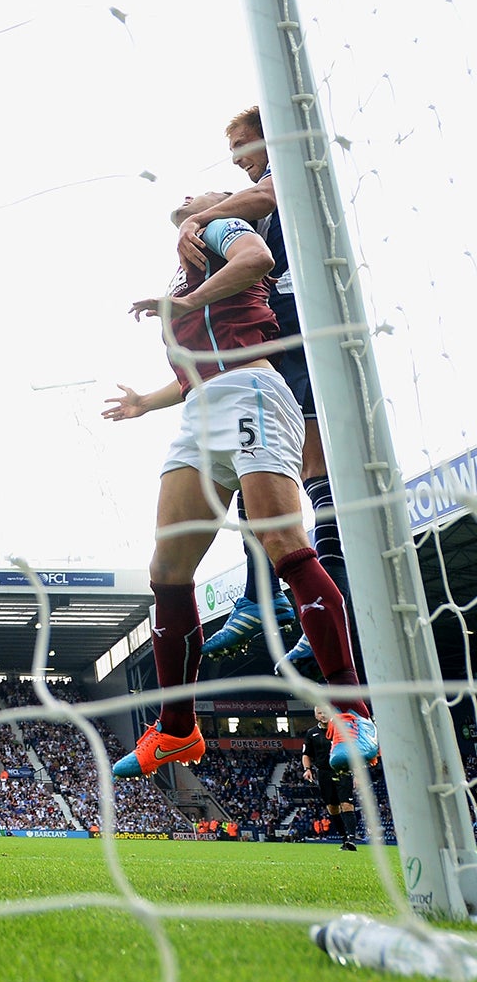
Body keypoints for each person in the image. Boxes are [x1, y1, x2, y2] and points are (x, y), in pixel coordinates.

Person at [101, 195, 376, 779]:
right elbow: (199, 366)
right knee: (167, 573)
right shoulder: (189, 256)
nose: (181, 202)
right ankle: (177, 730)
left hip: (252, 390)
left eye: (193, 196)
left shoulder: (223, 227)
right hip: (203, 406)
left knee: (286, 547)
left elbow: (258, 259)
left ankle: (352, 710)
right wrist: (146, 403)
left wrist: (188, 295)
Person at [177, 107, 348, 672]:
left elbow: (261, 200)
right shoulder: (254, 201)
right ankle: (269, 597)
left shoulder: (286, 172)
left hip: (303, 324)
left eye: (242, 147)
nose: (239, 162)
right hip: (289, 330)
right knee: (276, 468)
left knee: (310, 475)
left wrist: (197, 220)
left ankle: (309, 606)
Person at [303, 706, 359, 850]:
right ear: (316, 716)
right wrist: (307, 769)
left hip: (342, 770)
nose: (323, 715)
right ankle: (344, 838)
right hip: (324, 773)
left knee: (346, 804)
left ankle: (352, 838)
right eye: (320, 713)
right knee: (332, 808)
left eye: (325, 712)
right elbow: (306, 754)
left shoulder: (341, 730)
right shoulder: (311, 733)